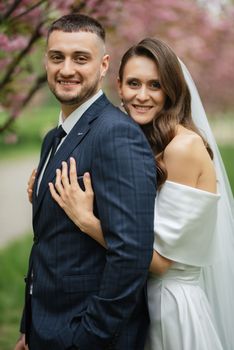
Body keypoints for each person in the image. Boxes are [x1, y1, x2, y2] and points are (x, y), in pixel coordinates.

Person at [27, 38, 234, 349]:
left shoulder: (183, 147)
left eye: (155, 85)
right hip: (138, 302)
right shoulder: (142, 142)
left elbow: (161, 262)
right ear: (119, 86)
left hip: (169, 305)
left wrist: (88, 220)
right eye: (134, 83)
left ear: (172, 90)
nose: (142, 95)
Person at [15, 15, 157, 350]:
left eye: (80, 58)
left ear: (104, 64)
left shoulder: (117, 134)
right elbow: (46, 243)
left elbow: (131, 255)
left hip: (84, 335)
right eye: (56, 57)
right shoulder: (53, 137)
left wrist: (88, 338)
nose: (66, 69)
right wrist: (29, 326)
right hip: (45, 324)